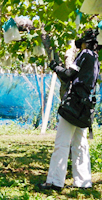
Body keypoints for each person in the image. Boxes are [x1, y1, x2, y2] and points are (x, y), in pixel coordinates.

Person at [40, 29, 100, 191]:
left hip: (73, 105)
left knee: (62, 143)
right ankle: (83, 181)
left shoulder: (85, 54)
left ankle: (54, 181)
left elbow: (68, 75)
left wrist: (55, 67)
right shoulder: (95, 59)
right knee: (80, 144)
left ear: (86, 43)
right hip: (85, 107)